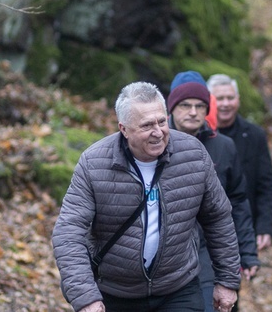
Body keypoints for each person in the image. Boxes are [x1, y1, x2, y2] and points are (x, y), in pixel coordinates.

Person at [52, 82, 240, 312]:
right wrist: (85, 297)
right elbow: (68, 232)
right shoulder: (94, 164)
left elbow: (218, 217)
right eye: (147, 125)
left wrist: (227, 279)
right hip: (115, 291)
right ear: (124, 129)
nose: (158, 132)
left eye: (162, 122)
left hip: (178, 287)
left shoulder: (193, 154)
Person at [167, 71, 260, 312]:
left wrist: (248, 252)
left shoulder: (223, 147)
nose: (193, 112)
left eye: (200, 105)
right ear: (171, 107)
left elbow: (238, 202)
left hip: (209, 252)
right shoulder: (154, 143)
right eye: (185, 105)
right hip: (166, 258)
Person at [206, 73, 272, 251]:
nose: (225, 104)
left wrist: (265, 226)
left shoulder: (255, 135)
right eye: (219, 98)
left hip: (242, 225)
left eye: (230, 98)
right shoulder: (198, 137)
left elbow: (266, 184)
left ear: (238, 99)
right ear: (209, 101)